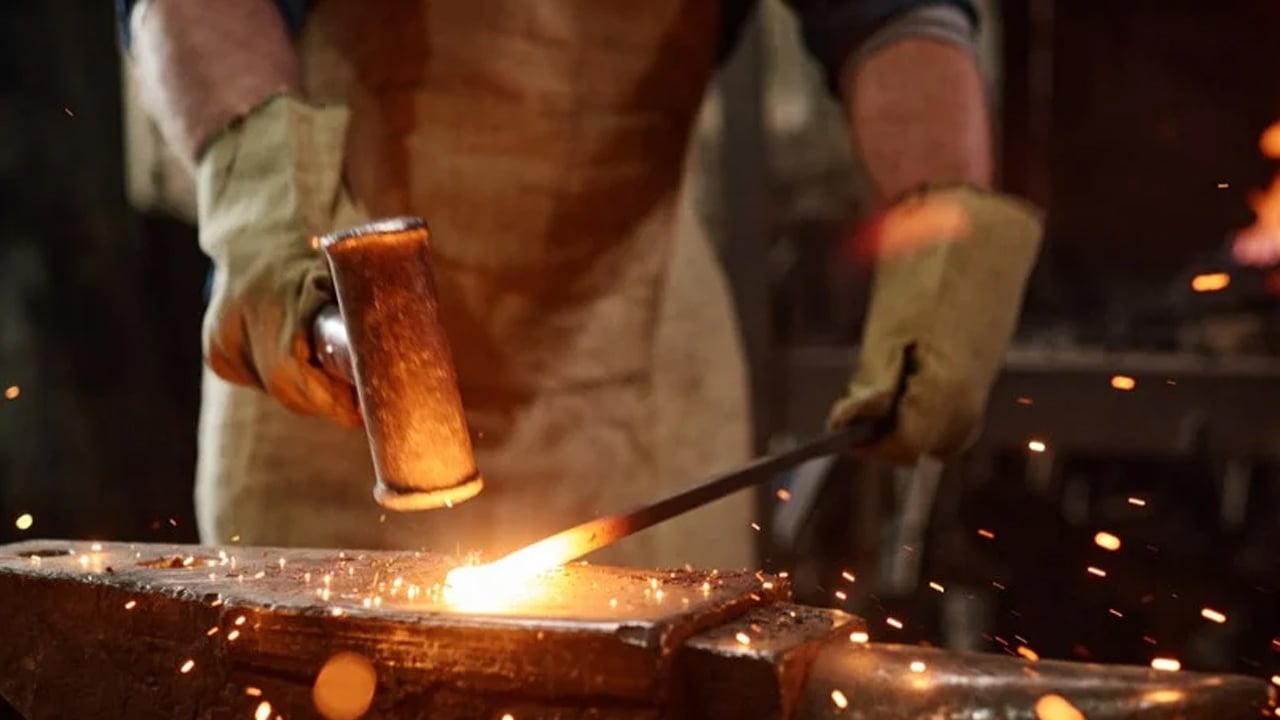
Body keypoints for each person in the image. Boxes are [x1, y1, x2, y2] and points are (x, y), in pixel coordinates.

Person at [120, 0, 1042, 569]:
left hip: (644, 387)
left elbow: (894, 12)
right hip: (320, 375)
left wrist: (943, 241)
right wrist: (260, 201)